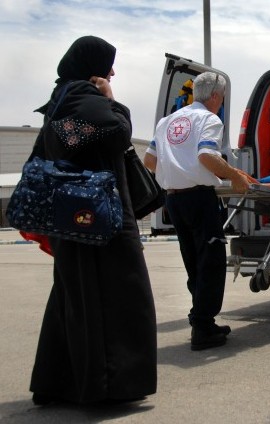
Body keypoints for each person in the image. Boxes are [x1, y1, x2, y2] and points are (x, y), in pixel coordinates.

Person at [29, 36, 157, 405]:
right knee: (118, 296)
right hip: (100, 219)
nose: (111, 71)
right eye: (108, 64)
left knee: (76, 298)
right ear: (92, 64)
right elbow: (115, 133)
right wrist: (111, 99)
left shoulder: (61, 96)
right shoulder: (82, 94)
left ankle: (58, 383)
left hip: (76, 217)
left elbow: (72, 139)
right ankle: (108, 386)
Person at [150, 71, 249, 351]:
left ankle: (203, 321)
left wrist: (174, 171)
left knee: (193, 261)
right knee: (211, 261)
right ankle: (203, 326)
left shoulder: (167, 121)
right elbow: (206, 156)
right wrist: (235, 176)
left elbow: (149, 159)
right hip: (199, 199)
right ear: (216, 97)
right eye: (223, 99)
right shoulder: (209, 119)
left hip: (174, 201)